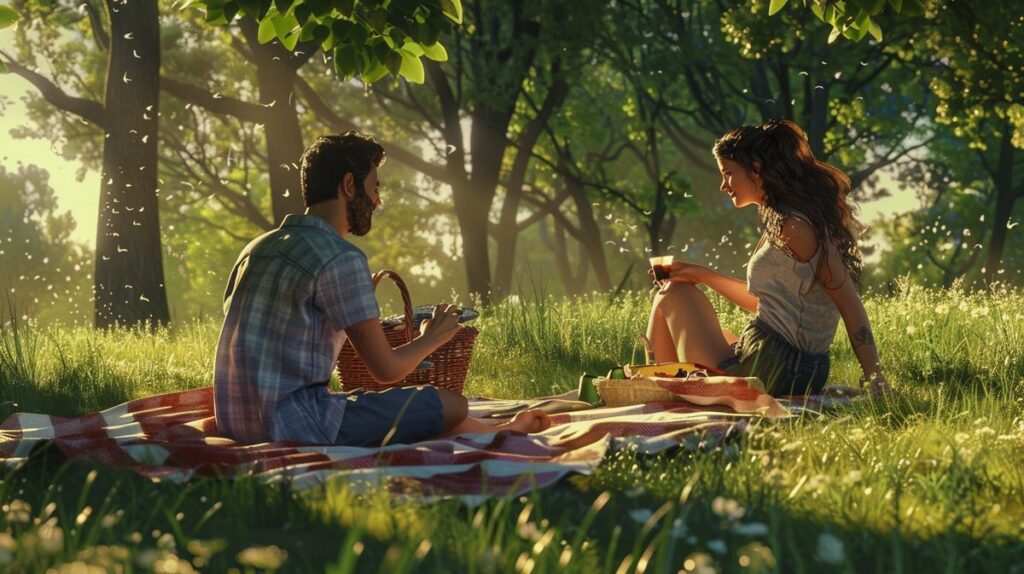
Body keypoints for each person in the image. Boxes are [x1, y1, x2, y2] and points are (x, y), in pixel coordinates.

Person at [213, 131, 551, 446]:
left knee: (416, 408)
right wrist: (433, 336)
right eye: (374, 188)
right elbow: (386, 370)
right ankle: (498, 434)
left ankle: (500, 433)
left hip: (235, 422)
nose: (377, 201)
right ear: (349, 185)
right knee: (451, 404)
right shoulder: (340, 257)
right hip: (295, 424)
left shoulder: (256, 248)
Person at [645, 119, 891, 396]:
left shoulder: (796, 227)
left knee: (672, 295)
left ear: (757, 170)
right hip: (780, 360)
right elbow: (767, 305)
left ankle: (655, 392)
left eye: (728, 173)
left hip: (780, 365)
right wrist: (699, 274)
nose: (723, 186)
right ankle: (658, 386)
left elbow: (849, 303)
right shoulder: (782, 220)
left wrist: (876, 377)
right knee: (676, 291)